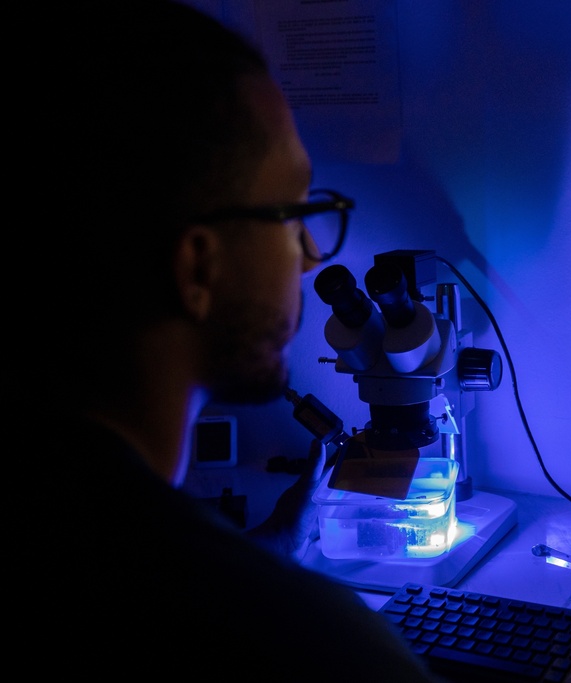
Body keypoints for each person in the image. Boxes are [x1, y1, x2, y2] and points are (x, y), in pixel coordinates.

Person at [27, 1, 446, 679]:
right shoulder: (326, 647)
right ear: (199, 267)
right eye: (292, 215)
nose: (311, 255)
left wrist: (271, 543)